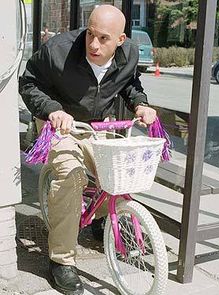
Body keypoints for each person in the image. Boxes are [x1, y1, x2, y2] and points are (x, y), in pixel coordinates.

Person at [19, 5, 156, 295]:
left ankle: (103, 219)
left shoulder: (129, 54)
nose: (93, 44)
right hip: (61, 126)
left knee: (119, 171)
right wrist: (52, 110)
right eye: (90, 34)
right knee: (70, 175)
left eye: (103, 38)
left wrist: (140, 103)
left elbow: (129, 83)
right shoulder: (59, 50)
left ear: (120, 40)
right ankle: (61, 261)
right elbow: (29, 82)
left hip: (98, 126)